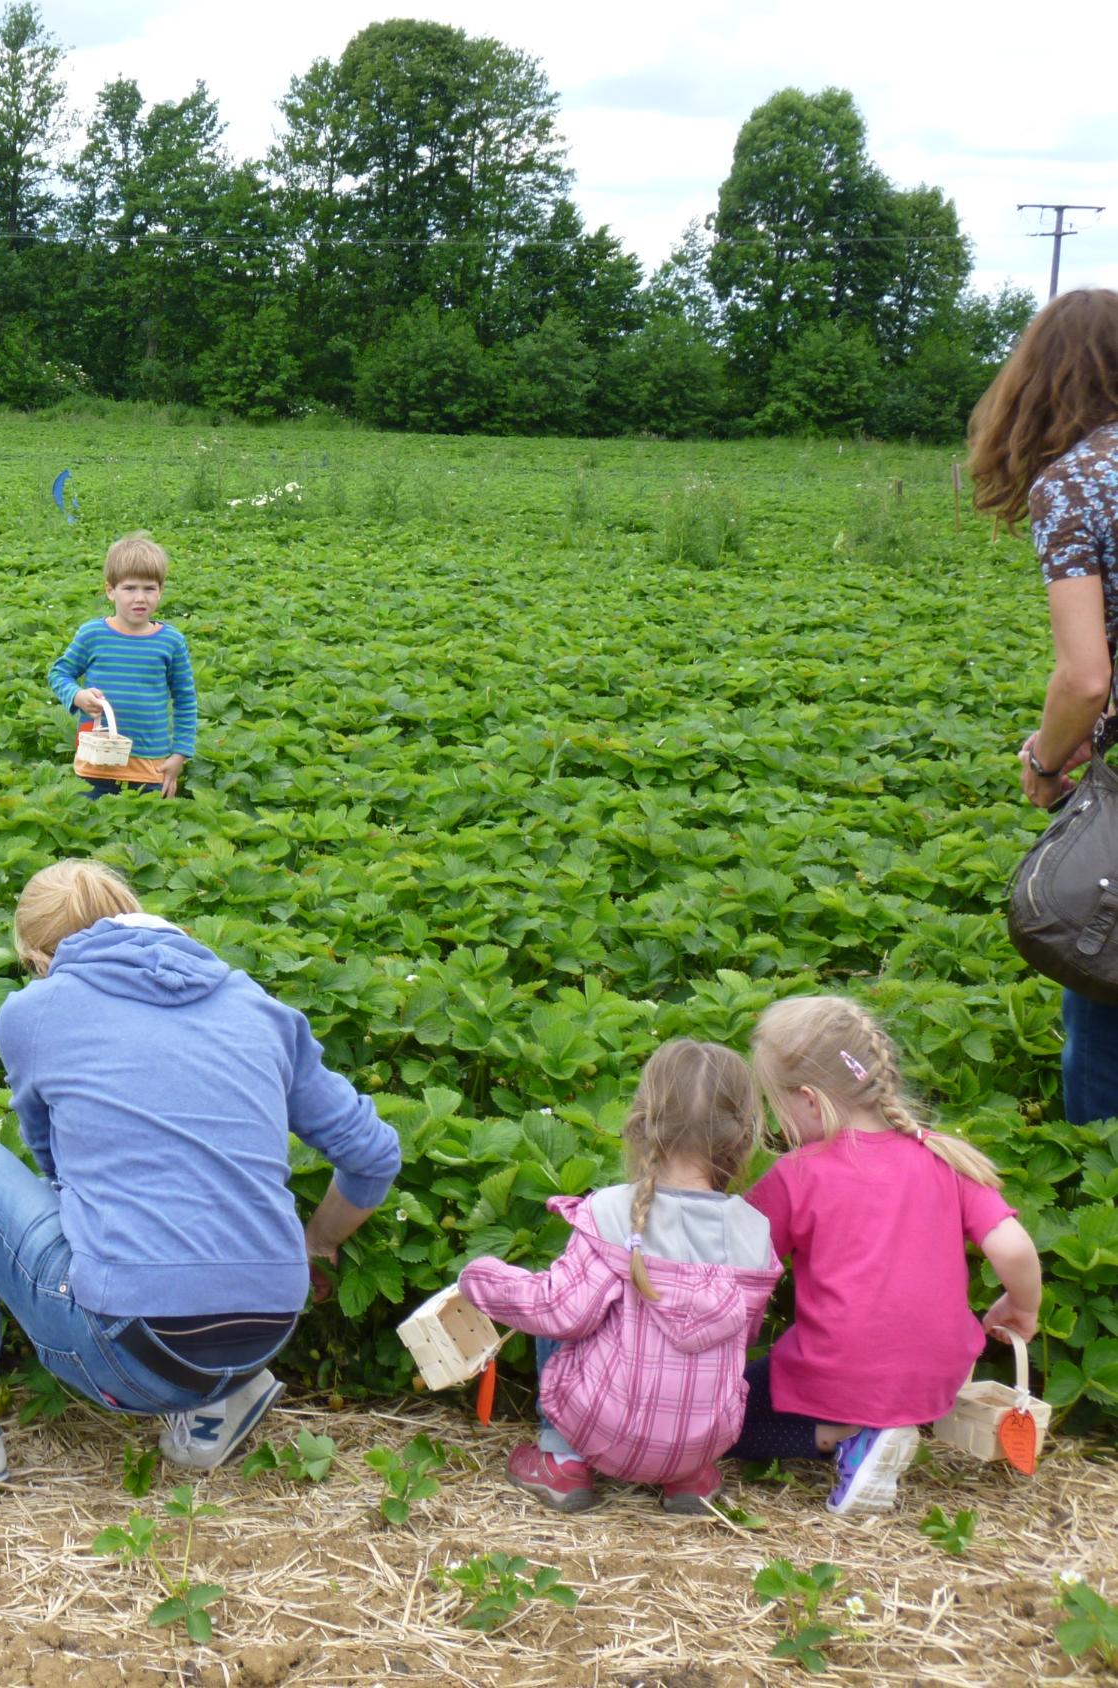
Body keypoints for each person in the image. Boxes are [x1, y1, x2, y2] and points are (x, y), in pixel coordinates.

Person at [0, 859, 399, 1488]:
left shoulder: (37, 1011)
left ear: (41, 957)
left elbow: (60, 1171)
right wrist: (319, 1243)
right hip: (264, 1335)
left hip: (124, 1352)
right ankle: (211, 1410)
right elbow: (373, 1155)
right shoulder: (257, 1006)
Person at [728, 996, 1043, 1515]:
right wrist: (1022, 1306)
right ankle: (880, 1427)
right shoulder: (943, 1155)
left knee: (719, 1421)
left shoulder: (798, 1173)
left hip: (840, 1369)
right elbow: (1012, 1245)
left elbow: (741, 1264)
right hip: (935, 1372)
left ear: (809, 1099)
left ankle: (844, 1433)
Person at [457, 1040, 781, 1517]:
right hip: (702, 1441)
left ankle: (563, 1459)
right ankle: (686, 1478)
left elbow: (557, 1310)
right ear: (742, 1134)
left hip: (605, 1427)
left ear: (643, 1121)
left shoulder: (611, 1212)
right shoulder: (754, 1231)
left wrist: (479, 1278)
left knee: (566, 1301)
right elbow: (743, 1337)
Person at [967, 288, 1118, 1121]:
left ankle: (1097, 1167)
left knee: (1103, 980)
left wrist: (1046, 758)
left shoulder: (1078, 482)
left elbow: (1085, 677)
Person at [50, 533, 198, 798]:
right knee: (95, 830)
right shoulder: (92, 635)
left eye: (149, 588)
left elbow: (185, 700)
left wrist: (180, 754)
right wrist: (78, 695)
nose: (139, 598)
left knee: (145, 830)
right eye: (130, 588)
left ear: (161, 591)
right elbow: (60, 673)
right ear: (111, 590)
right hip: (97, 762)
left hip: (151, 765)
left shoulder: (171, 641)